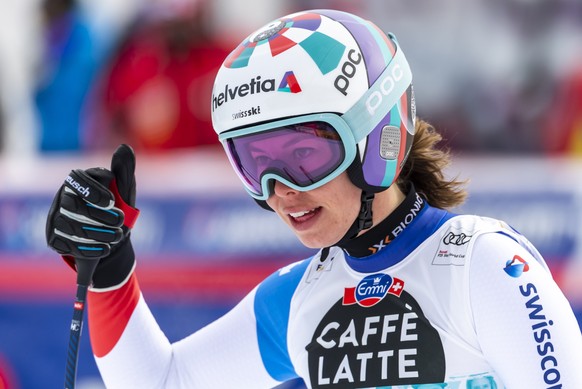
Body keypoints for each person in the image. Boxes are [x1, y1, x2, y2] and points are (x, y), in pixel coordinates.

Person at [45, 9, 582, 388]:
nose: (281, 192)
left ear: (378, 140)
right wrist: (111, 271)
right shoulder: (301, 299)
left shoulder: (482, 266)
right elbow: (161, 383)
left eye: (303, 155)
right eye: (254, 164)